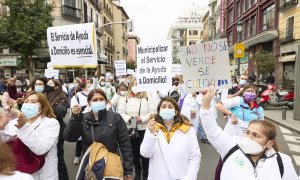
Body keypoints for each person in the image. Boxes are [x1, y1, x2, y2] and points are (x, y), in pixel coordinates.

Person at [200, 90, 298, 180]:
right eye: (247, 132)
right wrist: (205, 104)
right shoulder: (231, 146)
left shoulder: (282, 162)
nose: (249, 138)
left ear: (269, 143)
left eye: (256, 135)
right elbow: (212, 131)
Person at [63, 89, 133, 180]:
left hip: (111, 164)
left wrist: (128, 170)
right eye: (95, 100)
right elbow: (69, 138)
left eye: (101, 99)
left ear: (106, 101)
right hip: (90, 164)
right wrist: (75, 118)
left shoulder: (115, 118)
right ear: (89, 102)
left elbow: (125, 145)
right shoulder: (83, 118)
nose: (98, 102)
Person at [0, 91, 60, 179]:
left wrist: (24, 128)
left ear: (42, 106)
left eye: (33, 102)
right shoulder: (14, 122)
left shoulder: (51, 123)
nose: (28, 104)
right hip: (19, 172)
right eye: (26, 101)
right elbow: (4, 144)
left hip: (43, 174)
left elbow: (41, 148)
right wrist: (2, 128)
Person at [140, 98, 201, 180]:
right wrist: (151, 134)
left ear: (175, 111)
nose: (166, 109)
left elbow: (194, 156)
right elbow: (145, 153)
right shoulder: (153, 128)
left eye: (170, 107)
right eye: (163, 107)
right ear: (159, 111)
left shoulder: (188, 129)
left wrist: (189, 178)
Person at [118, 78, 156, 180]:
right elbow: (121, 112)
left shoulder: (147, 96)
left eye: (138, 84)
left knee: (144, 153)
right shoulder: (125, 97)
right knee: (134, 153)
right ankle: (137, 173)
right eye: (134, 84)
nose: (136, 86)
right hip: (131, 128)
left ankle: (146, 174)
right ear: (130, 85)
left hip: (144, 128)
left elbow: (153, 112)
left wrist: (142, 119)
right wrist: (129, 119)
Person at [45, 79, 69, 180]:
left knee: (59, 158)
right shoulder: (45, 96)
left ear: (56, 87)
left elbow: (60, 112)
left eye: (50, 84)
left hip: (57, 130)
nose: (47, 85)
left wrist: (45, 110)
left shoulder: (61, 97)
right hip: (45, 129)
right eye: (47, 83)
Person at [70, 82, 90, 165]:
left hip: (89, 120)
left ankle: (86, 158)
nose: (89, 87)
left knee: (88, 139)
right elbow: (73, 110)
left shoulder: (90, 95)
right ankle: (77, 156)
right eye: (87, 86)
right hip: (80, 120)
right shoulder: (76, 96)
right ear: (83, 88)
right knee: (80, 140)